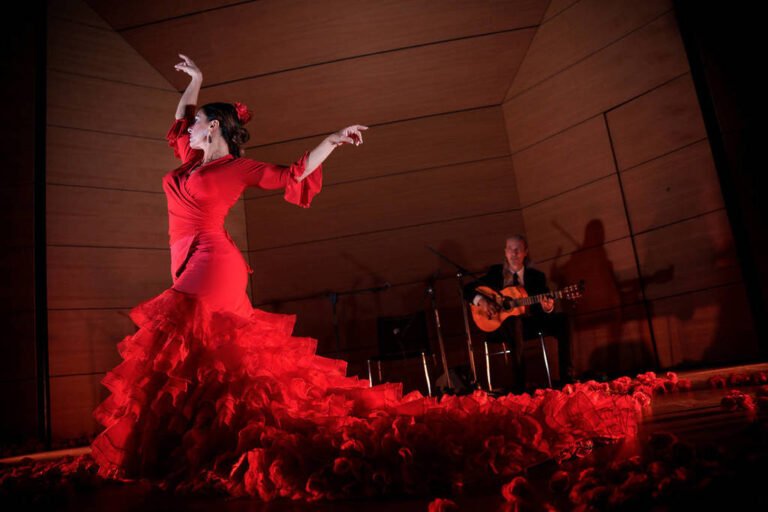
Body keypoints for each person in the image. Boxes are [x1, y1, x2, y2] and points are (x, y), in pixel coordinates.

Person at [85, 55, 640, 501]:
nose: (190, 126)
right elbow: (180, 115)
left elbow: (294, 173)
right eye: (194, 122)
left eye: (202, 120)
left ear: (219, 130)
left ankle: (207, 446)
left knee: (190, 345)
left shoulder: (236, 167)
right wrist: (197, 81)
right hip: (191, 258)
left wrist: (331, 138)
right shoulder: (190, 160)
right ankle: (208, 446)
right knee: (206, 363)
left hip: (212, 262)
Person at [464, 235, 573, 391]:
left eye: (518, 250)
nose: (514, 254)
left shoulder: (537, 277)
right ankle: (520, 386)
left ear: (525, 252)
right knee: (515, 321)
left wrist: (547, 307)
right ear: (505, 252)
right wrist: (482, 301)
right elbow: (467, 289)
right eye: (510, 249)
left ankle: (567, 379)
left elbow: (546, 307)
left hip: (531, 324)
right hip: (500, 326)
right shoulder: (495, 273)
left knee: (562, 319)